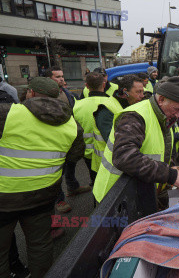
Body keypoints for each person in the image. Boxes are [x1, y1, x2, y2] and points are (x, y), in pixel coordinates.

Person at [0, 77, 84, 278]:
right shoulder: (72, 124)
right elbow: (74, 156)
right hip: (43, 195)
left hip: (4, 198)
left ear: (31, 93)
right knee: (40, 246)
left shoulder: (7, 113)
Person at [93, 77, 179, 203]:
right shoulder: (135, 116)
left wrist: (170, 167)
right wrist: (171, 175)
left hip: (137, 192)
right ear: (161, 99)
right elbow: (124, 157)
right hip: (114, 196)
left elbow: (157, 150)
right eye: (176, 109)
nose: (178, 115)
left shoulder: (163, 116)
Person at [46, 66, 88, 213]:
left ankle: (73, 187)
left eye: (62, 76)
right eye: (57, 77)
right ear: (49, 79)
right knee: (57, 172)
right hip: (55, 140)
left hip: (70, 137)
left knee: (71, 164)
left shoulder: (66, 92)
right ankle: (59, 200)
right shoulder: (46, 97)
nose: (62, 79)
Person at [91, 75, 145, 174]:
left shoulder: (132, 105)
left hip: (124, 164)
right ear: (125, 92)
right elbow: (113, 141)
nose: (142, 96)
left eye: (143, 92)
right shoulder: (106, 110)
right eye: (138, 92)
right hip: (107, 168)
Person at [73, 72, 109, 186]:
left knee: (95, 181)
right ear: (104, 84)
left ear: (86, 86)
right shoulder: (112, 103)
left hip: (87, 153)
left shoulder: (77, 106)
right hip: (108, 153)